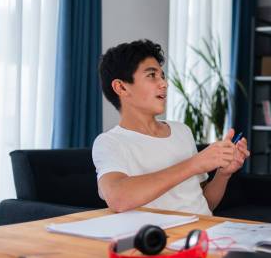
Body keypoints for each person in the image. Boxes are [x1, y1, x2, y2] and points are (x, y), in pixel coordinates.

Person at [93, 39, 249, 215]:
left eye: (162, 76)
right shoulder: (109, 143)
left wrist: (223, 174)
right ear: (121, 87)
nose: (164, 84)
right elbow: (118, 198)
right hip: (165, 239)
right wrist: (194, 164)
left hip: (204, 233)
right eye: (151, 75)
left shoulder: (182, 131)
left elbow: (204, 205)